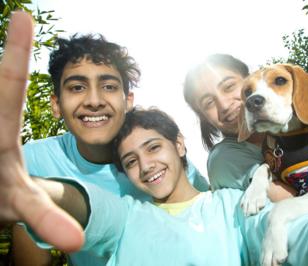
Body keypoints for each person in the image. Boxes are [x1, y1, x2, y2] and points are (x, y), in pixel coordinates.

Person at [15, 108, 308, 266]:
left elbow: (306, 236)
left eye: (154, 148)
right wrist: (30, 192)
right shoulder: (127, 217)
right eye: (131, 161)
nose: (146, 165)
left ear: (179, 144)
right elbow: (88, 209)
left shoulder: (231, 205)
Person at [9, 12, 209, 266]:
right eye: (77, 87)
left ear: (128, 101)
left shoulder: (164, 165)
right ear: (56, 104)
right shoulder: (35, 160)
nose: (94, 101)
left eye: (109, 86)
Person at [183, 53, 308, 207]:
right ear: (204, 118)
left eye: (229, 87)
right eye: (209, 102)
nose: (225, 105)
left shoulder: (289, 128)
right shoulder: (225, 159)